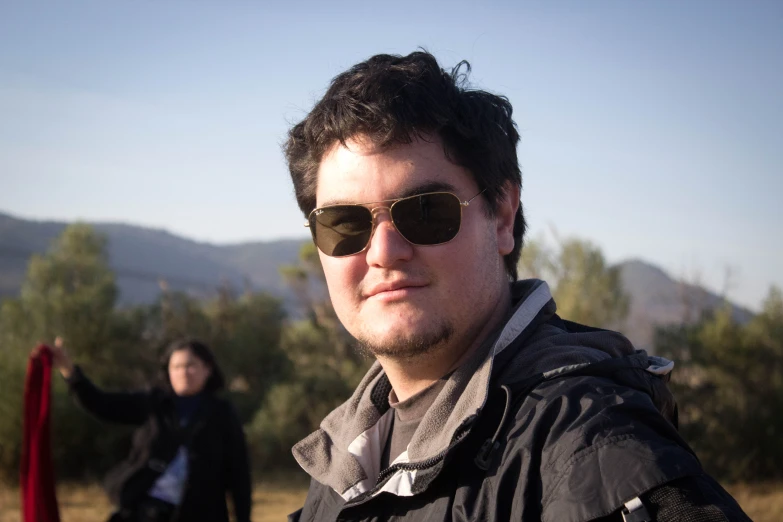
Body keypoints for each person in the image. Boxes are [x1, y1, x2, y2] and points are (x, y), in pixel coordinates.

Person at [283, 51, 751, 521]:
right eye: (344, 223)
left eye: (426, 211)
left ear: (502, 216)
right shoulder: (341, 460)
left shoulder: (594, 447)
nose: (384, 251)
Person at [46, 337, 251, 522]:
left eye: (191, 366)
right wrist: (70, 372)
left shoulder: (222, 413)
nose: (183, 373)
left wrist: (243, 517)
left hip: (202, 513)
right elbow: (101, 404)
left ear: (208, 369)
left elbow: (239, 472)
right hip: (145, 511)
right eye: (176, 367)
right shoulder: (154, 403)